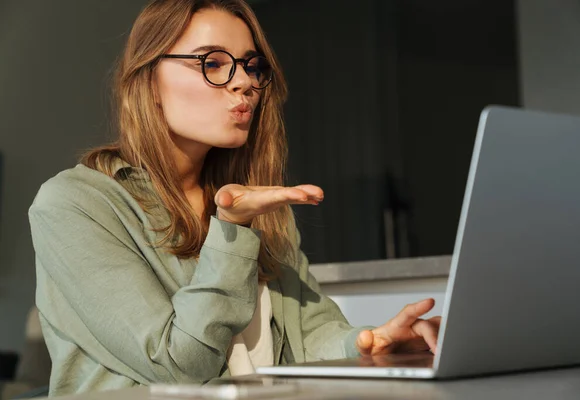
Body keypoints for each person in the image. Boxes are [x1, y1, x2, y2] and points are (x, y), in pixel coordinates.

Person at [28, 0, 441, 396]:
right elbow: (179, 368)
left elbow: (307, 334)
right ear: (149, 81)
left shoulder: (255, 203)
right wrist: (231, 230)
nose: (244, 82)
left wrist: (369, 344)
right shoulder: (75, 205)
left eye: (251, 65)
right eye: (213, 63)